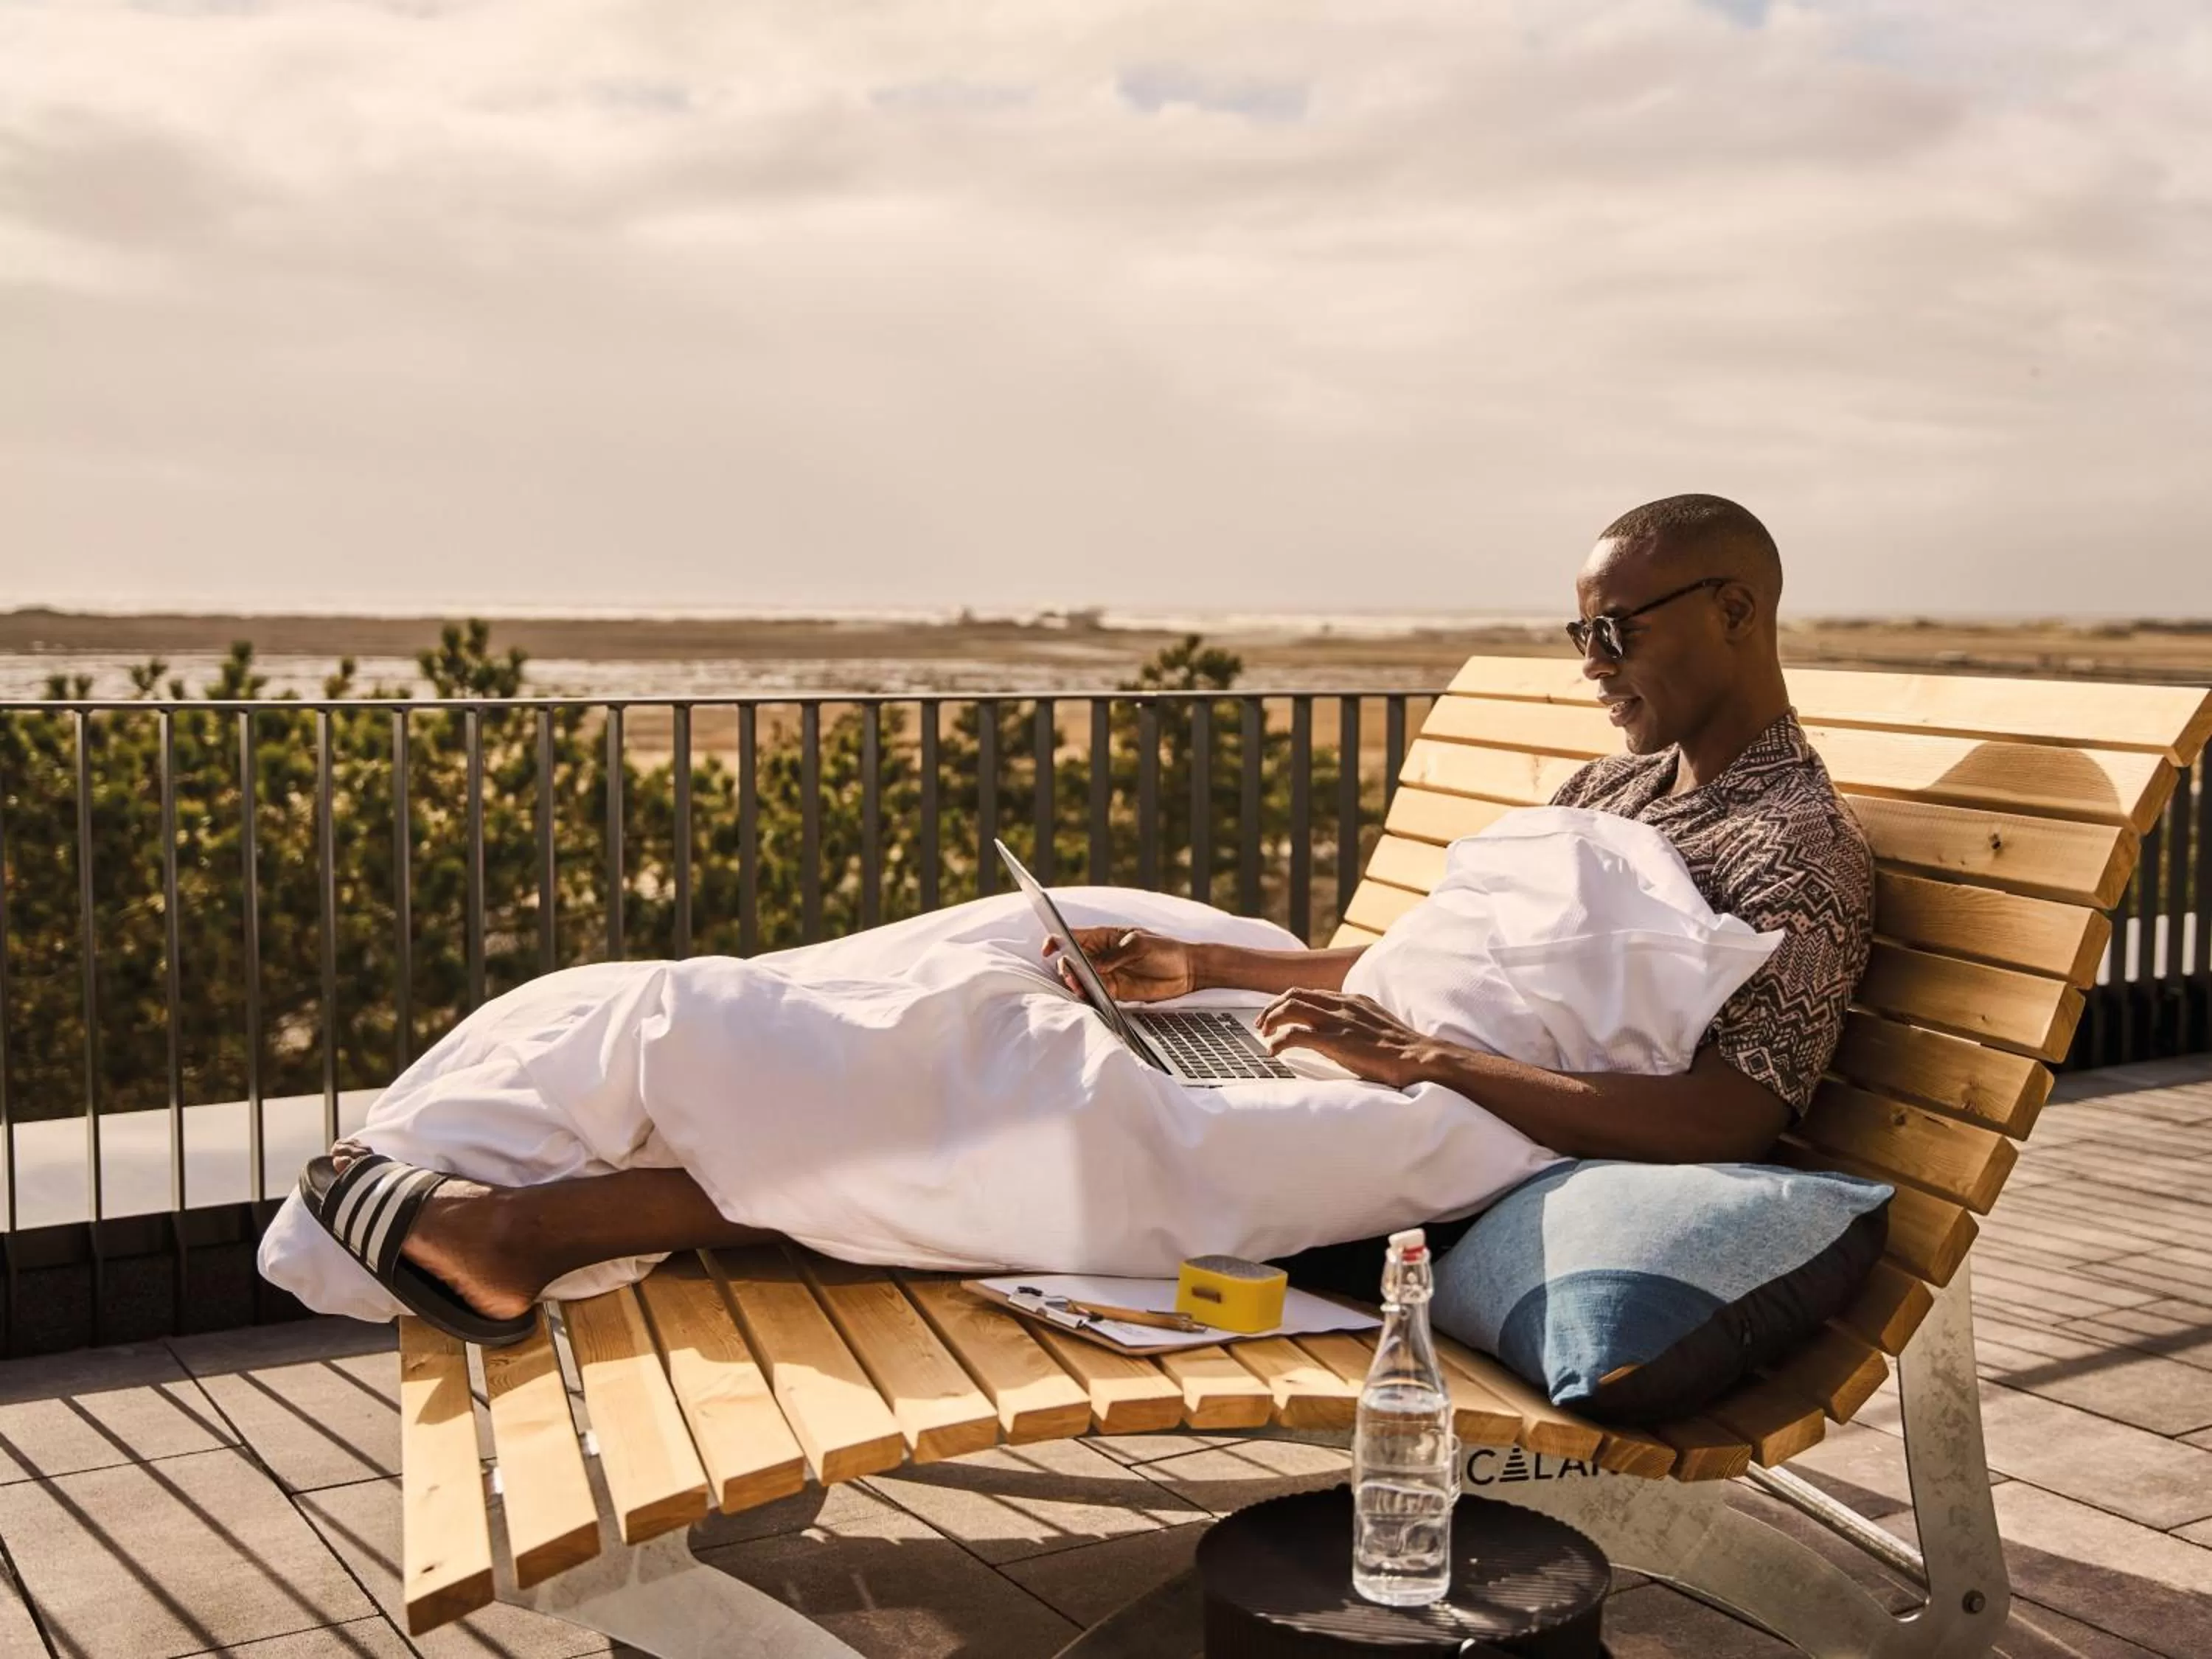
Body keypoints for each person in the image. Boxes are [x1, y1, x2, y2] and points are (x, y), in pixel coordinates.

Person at [277, 492, 1873, 1339]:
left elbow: (1730, 1113)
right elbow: (1416, 971)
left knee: (964, 1073)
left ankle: (515, 1225)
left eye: (1612, 629)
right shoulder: (1623, 798)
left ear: (1736, 610)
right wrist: (1225, 970)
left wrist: (1432, 1067)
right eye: (1574, 628)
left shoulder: (1798, 846)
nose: (1586, 657)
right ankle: (516, 1215)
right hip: (1384, 1068)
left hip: (1450, 1133)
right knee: (964, 1003)